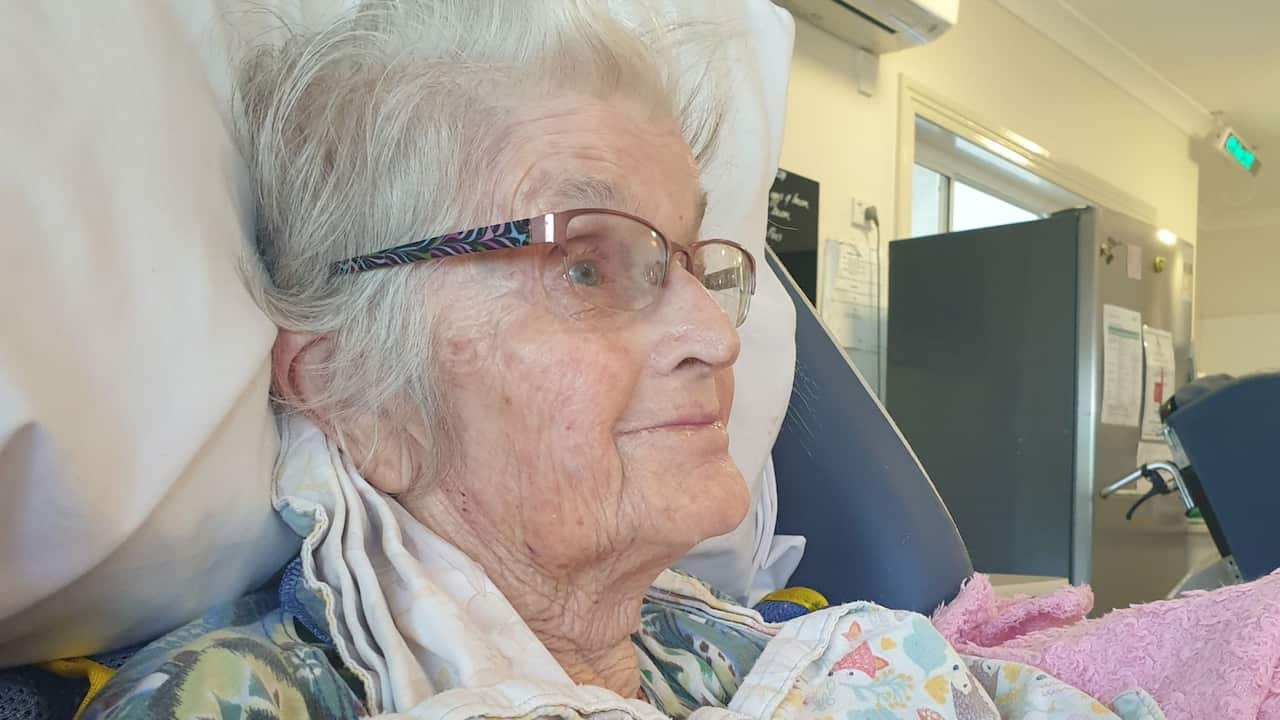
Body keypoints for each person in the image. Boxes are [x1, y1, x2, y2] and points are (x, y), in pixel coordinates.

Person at [76, 3, 1154, 719]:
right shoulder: (241, 700)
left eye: (691, 260)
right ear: (354, 394)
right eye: (586, 267)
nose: (716, 336)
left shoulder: (756, 652)